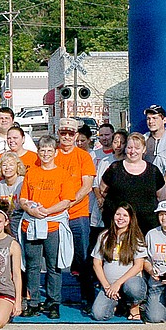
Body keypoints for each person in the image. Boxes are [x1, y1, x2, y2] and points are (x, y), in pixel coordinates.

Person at [18, 135, 73, 319]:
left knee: (54, 266)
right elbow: (23, 199)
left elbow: (66, 201)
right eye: (43, 150)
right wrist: (31, 210)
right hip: (32, 224)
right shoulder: (31, 173)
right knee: (33, 266)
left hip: (53, 225)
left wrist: (48, 211)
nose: (46, 154)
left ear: (55, 152)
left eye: (50, 150)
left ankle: (53, 302)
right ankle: (33, 302)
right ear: (38, 152)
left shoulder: (63, 173)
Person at [54, 117, 96, 312]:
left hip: (77, 214)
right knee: (53, 257)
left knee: (83, 258)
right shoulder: (51, 154)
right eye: (64, 133)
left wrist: (68, 203)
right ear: (59, 134)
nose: (67, 137)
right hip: (54, 215)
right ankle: (53, 298)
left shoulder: (83, 157)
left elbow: (87, 186)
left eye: (71, 133)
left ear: (76, 135)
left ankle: (87, 298)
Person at [90, 203, 147, 321]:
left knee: (134, 288)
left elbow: (138, 266)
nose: (121, 218)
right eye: (118, 214)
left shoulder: (136, 238)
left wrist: (118, 283)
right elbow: (97, 264)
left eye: (125, 215)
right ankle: (118, 304)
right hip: (109, 286)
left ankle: (134, 306)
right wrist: (107, 286)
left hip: (129, 283)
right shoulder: (104, 236)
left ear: (131, 219)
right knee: (98, 315)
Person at [100, 132, 165, 234]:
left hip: (146, 226)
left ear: (144, 149)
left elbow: (160, 194)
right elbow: (103, 189)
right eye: (130, 147)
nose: (132, 151)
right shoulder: (115, 168)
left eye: (137, 148)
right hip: (119, 226)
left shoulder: (153, 171)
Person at [0, 152, 26, 234]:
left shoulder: (22, 182)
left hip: (20, 216)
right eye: (4, 165)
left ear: (17, 167)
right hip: (5, 217)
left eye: (11, 164)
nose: (7, 168)